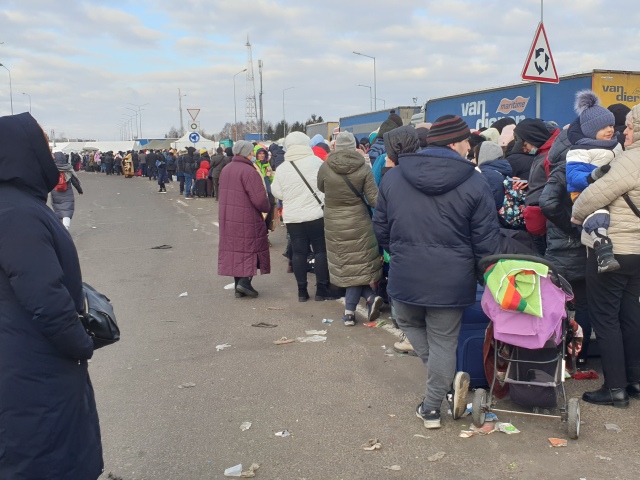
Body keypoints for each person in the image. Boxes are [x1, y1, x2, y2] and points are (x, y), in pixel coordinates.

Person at [373, 115, 499, 429]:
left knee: (406, 322)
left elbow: (381, 230)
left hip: (405, 274)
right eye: (468, 141)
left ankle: (434, 401)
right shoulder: (475, 181)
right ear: (454, 142)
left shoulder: (394, 177)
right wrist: (486, 276)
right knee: (444, 341)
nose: (471, 147)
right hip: (453, 279)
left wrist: (400, 252)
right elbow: (486, 241)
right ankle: (434, 403)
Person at [0, 113, 103, 479]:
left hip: (22, 361)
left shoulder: (15, 206)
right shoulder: (17, 214)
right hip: (33, 369)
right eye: (41, 144)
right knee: (47, 460)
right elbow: (45, 299)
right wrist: (81, 343)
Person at [571, 104, 640, 408]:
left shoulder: (629, 161)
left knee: (606, 318)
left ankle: (615, 388)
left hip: (612, 250)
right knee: (631, 315)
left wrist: (576, 214)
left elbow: (593, 196)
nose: (624, 131)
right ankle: (635, 380)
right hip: (638, 252)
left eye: (629, 126)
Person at [318, 132, 383, 326]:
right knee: (358, 267)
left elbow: (321, 187)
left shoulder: (325, 166)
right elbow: (374, 199)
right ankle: (369, 298)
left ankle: (349, 313)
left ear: (336, 147)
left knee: (348, 268)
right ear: (354, 146)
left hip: (333, 223)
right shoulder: (363, 167)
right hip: (359, 222)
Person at [271, 132, 341, 302]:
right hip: (317, 214)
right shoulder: (317, 162)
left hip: (294, 217)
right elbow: (327, 185)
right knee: (320, 250)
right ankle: (321, 290)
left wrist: (291, 196)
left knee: (299, 252)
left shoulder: (283, 168)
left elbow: (276, 191)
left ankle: (302, 291)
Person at [566, 90, 623, 273]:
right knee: (598, 216)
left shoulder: (617, 145)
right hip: (584, 191)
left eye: (611, 125)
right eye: (604, 127)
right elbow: (573, 175)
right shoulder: (580, 150)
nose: (610, 130)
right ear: (591, 129)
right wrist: (592, 176)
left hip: (609, 190)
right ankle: (604, 254)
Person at [218, 141, 271, 297]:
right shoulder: (249, 171)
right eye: (251, 152)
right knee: (250, 249)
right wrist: (267, 208)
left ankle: (238, 286)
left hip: (228, 216)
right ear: (245, 152)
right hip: (247, 216)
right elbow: (259, 199)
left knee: (235, 250)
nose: (253, 155)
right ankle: (244, 283)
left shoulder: (226, 169)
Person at [514, 118, 560, 254]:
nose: (525, 149)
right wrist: (529, 185)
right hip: (540, 221)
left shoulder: (550, 155)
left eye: (525, 144)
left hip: (546, 223)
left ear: (532, 138)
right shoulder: (543, 153)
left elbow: (553, 187)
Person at [51, 151, 83, 229]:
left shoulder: (51, 169)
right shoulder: (68, 168)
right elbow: (74, 181)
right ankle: (66, 227)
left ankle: (58, 228)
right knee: (67, 210)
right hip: (67, 192)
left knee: (57, 210)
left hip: (55, 192)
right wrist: (79, 190)